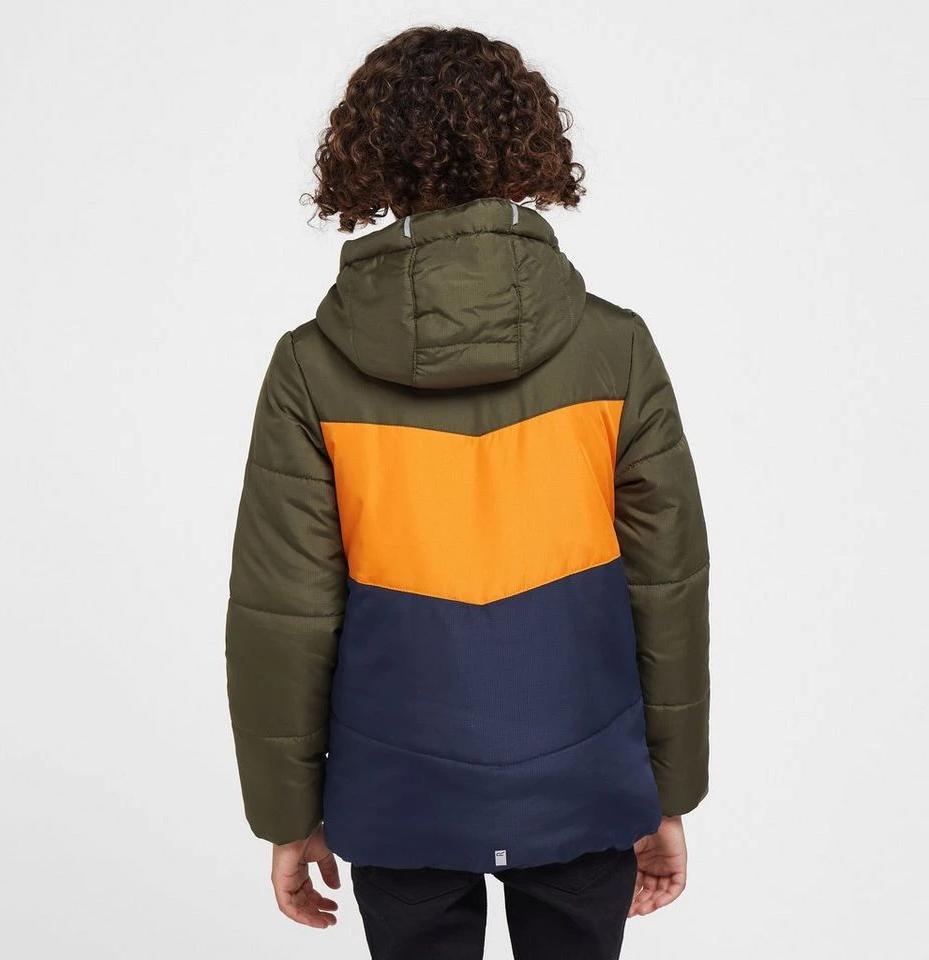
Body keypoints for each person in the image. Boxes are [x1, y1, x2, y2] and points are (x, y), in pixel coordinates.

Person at [225, 25, 710, 960]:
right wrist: (666, 794)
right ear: (526, 142)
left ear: (369, 156)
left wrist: (288, 818)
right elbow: (668, 588)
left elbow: (284, 616)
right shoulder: (616, 350)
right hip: (584, 778)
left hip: (397, 787)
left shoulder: (310, 370)